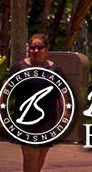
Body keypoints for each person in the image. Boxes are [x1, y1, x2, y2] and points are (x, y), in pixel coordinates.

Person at [18, 34, 58, 172]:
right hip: (27, 120)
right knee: (31, 155)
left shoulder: (54, 69)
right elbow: (6, 89)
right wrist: (0, 111)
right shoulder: (20, 67)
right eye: (32, 47)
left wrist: (66, 112)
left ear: (46, 49)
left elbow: (62, 93)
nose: (35, 50)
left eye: (39, 47)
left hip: (48, 120)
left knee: (41, 154)